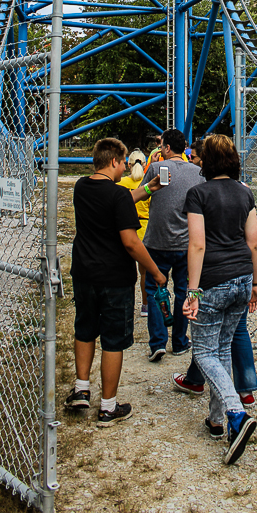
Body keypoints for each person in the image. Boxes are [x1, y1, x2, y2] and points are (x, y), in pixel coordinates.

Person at [65, 138, 167, 427]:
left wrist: (147, 189)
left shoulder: (81, 187)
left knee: (84, 329)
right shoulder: (118, 196)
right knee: (112, 340)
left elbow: (113, 201)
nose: (125, 167)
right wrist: (156, 272)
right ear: (114, 161)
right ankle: (108, 407)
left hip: (84, 272)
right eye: (123, 163)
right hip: (115, 278)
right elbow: (131, 243)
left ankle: (81, 389)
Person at [183, 134, 257, 465]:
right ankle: (217, 421)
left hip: (213, 281)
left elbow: (197, 245)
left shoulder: (198, 194)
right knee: (223, 348)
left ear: (206, 160)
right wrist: (255, 284)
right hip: (243, 278)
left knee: (203, 351)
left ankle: (235, 413)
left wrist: (193, 291)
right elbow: (253, 242)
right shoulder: (245, 193)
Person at [141, 129, 204, 360]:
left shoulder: (158, 169)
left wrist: (154, 166)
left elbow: (143, 193)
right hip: (185, 244)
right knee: (182, 292)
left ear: (167, 148)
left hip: (157, 241)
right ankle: (179, 341)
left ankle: (157, 341)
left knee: (154, 290)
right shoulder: (197, 172)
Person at [118, 149, 150, 316]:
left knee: (126, 271)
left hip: (126, 228)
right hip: (144, 228)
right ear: (145, 164)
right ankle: (145, 305)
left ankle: (126, 304)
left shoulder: (121, 183)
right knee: (144, 272)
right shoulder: (148, 185)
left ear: (128, 164)